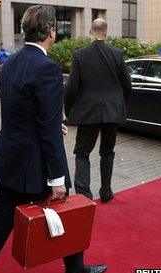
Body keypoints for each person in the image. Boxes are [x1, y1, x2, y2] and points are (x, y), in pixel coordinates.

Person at [0, 6, 106, 273]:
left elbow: (23, 111)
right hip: (37, 163)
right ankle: (76, 271)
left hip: (11, 157)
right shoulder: (47, 68)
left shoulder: (12, 62)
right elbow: (47, 132)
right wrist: (57, 178)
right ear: (51, 32)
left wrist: (53, 123)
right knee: (65, 208)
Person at [64, 18, 132, 202]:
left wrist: (68, 111)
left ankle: (84, 195)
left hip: (88, 112)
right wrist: (120, 105)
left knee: (82, 153)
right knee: (107, 152)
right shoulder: (117, 54)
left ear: (91, 33)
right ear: (106, 33)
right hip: (113, 112)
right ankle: (106, 191)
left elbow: (71, 88)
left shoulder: (80, 55)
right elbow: (128, 85)